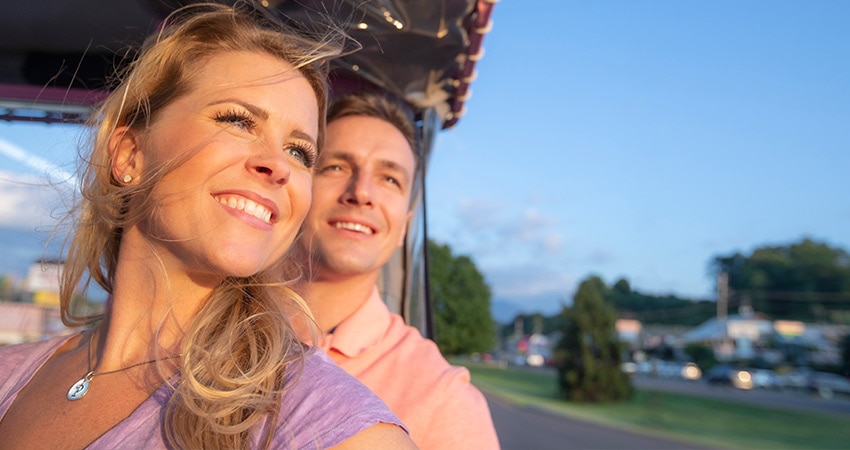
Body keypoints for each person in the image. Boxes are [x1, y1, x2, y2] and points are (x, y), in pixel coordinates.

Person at [0, 5, 416, 449]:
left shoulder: (334, 428)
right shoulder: (11, 372)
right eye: (238, 121)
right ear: (129, 156)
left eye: (300, 152)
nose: (278, 165)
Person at [297, 91, 500, 449]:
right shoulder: (204, 320)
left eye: (390, 179)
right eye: (336, 166)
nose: (361, 193)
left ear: (404, 227)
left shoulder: (443, 398)